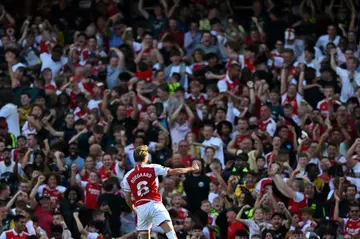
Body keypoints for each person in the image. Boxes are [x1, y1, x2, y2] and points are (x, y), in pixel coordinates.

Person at [122, 145, 199, 239]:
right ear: (146, 157)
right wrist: (192, 168)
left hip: (141, 208)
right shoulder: (153, 168)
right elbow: (175, 172)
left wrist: (134, 209)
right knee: (171, 234)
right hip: (155, 204)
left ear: (134, 158)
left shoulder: (127, 176)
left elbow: (127, 199)